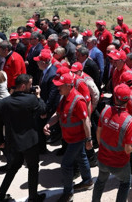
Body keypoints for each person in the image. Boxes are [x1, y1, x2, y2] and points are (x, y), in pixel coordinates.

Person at [0, 74, 47, 202]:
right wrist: (38, 96)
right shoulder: (31, 99)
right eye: (30, 85)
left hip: (13, 142)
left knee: (12, 168)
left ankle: (1, 196)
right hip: (30, 143)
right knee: (33, 168)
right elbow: (43, 111)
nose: (32, 87)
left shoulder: (3, 103)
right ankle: (33, 197)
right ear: (23, 86)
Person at [45, 69, 94, 202]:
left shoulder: (78, 100)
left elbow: (85, 120)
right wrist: (49, 124)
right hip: (69, 137)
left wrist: (89, 139)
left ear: (68, 85)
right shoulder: (65, 97)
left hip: (77, 138)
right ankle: (88, 181)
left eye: (60, 85)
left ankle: (68, 193)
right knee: (82, 157)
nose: (57, 87)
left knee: (66, 165)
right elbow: (58, 114)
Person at [91, 84, 132, 202]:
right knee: (125, 183)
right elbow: (128, 149)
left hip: (103, 159)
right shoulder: (129, 121)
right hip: (119, 164)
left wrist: (104, 148)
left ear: (115, 98)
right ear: (127, 100)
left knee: (100, 182)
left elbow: (98, 133)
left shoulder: (105, 110)